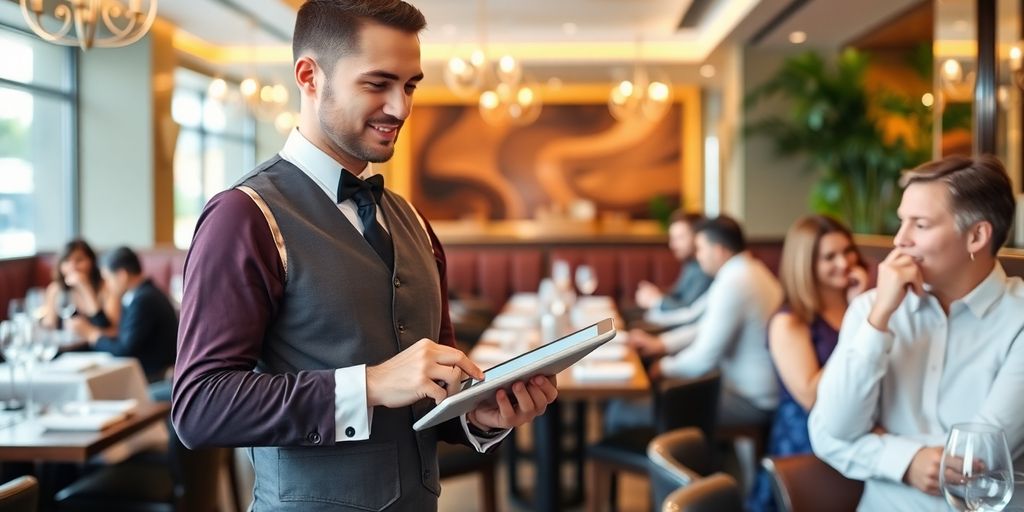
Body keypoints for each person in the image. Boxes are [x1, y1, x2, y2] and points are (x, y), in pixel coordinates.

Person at [171, 2, 557, 511]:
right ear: (309, 77)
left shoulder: (413, 220)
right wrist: (370, 384)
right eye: (378, 84)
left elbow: (430, 391)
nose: (401, 107)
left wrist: (477, 417)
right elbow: (199, 407)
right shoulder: (244, 217)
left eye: (411, 85)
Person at [809, 155, 1024, 511]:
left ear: (976, 236)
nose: (899, 239)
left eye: (919, 225)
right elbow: (830, 430)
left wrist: (878, 441)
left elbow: (979, 459)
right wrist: (908, 460)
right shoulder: (870, 309)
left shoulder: (1018, 318)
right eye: (901, 222)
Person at [747, 215, 867, 511]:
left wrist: (859, 307)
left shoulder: (861, 305)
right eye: (830, 257)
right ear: (805, 264)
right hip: (807, 445)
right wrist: (860, 322)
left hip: (861, 431)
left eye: (847, 251)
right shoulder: (789, 322)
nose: (844, 262)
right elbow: (812, 397)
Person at [629, 215, 782, 427]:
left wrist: (663, 368)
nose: (698, 256)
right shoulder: (748, 270)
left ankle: (655, 458)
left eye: (700, 248)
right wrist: (660, 345)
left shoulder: (735, 281)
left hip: (750, 400)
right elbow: (704, 325)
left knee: (625, 410)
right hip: (752, 390)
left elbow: (704, 357)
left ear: (718, 250)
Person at [70, 247, 178, 383]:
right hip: (147, 374)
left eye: (108, 278)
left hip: (154, 378)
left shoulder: (144, 300)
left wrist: (92, 335)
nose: (108, 285)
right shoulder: (142, 294)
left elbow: (124, 351)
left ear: (122, 275)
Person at [633, 211, 713, 329]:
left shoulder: (705, 269)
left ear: (698, 237)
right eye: (672, 238)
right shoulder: (691, 264)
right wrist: (655, 293)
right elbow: (678, 295)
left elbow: (688, 312)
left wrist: (656, 300)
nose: (672, 245)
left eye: (680, 238)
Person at [41, 239, 120, 331]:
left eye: (79, 260)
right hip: (66, 344)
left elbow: (108, 329)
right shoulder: (55, 289)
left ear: (92, 262)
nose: (72, 266)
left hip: (95, 344)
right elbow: (50, 326)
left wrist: (85, 287)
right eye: (66, 261)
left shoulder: (106, 287)